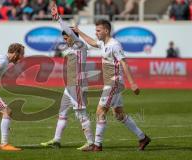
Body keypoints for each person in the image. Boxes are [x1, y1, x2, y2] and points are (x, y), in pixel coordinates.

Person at [73, 19, 151, 151]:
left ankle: (97, 145)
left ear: (106, 31)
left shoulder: (115, 45)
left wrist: (132, 83)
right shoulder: (103, 43)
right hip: (111, 83)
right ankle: (143, 138)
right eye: (96, 30)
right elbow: (92, 42)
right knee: (118, 114)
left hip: (114, 82)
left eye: (98, 30)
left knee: (100, 111)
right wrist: (79, 31)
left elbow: (124, 63)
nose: (96, 33)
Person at [40, 3, 94, 151]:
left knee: (80, 113)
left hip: (76, 84)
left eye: (67, 37)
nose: (66, 39)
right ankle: (56, 140)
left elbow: (69, 33)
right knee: (62, 113)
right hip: (69, 85)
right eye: (64, 38)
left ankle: (91, 143)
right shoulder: (70, 48)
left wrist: (58, 18)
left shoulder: (80, 46)